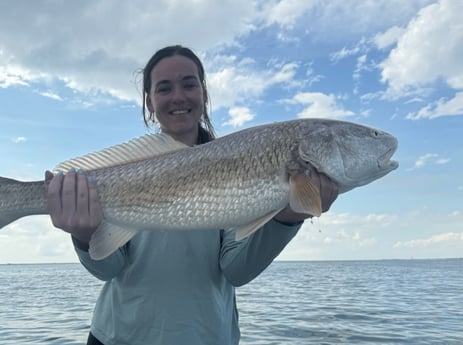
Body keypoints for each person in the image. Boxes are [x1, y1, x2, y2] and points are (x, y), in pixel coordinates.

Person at [46, 45, 339, 345]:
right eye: (164, 88)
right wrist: (83, 236)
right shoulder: (126, 169)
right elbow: (108, 267)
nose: (178, 96)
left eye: (189, 84)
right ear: (149, 102)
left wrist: (289, 217)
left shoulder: (243, 163)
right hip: (118, 336)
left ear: (204, 93)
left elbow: (237, 270)